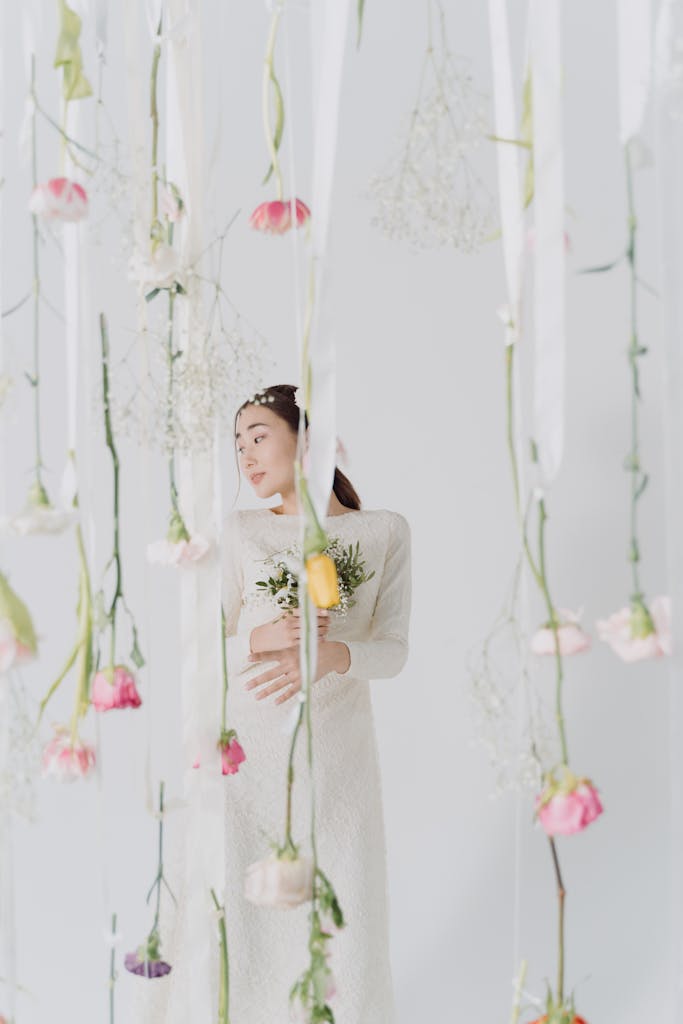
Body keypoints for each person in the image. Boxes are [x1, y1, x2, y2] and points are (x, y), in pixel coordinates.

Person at [135, 384, 411, 1024]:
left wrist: (333, 654)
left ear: (306, 440)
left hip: (335, 754)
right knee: (234, 899)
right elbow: (200, 646)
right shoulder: (240, 531)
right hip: (245, 752)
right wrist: (260, 638)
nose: (247, 457)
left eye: (259, 437)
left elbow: (393, 651)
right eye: (238, 445)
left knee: (340, 895)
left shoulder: (384, 532)